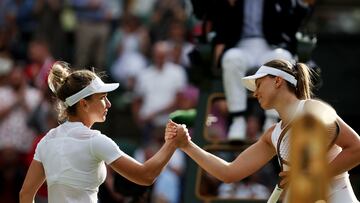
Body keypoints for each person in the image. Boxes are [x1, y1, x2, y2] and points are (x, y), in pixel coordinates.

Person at [169, 59, 360, 202]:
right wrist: (186, 145)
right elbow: (228, 173)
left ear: (277, 81)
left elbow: (357, 149)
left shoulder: (312, 111)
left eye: (259, 84)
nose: (255, 93)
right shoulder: (272, 135)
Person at [19, 61, 183, 203]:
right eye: (102, 97)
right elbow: (145, 176)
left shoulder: (46, 141)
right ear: (84, 104)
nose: (109, 104)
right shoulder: (95, 141)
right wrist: (172, 143)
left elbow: (25, 195)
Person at [200, 0, 315, 140]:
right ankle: (238, 120)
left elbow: (296, 16)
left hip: (271, 46)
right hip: (241, 46)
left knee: (282, 58)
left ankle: (272, 121)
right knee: (231, 58)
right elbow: (211, 17)